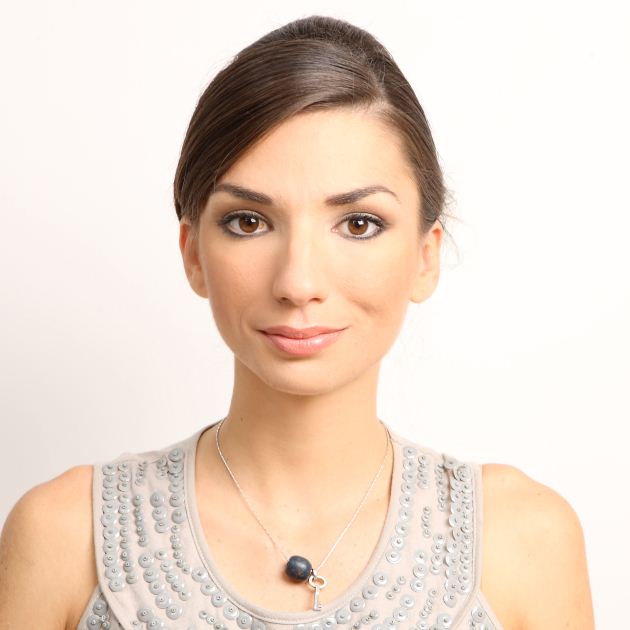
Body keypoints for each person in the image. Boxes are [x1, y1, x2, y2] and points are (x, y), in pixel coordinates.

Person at [0, 14, 594, 630]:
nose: (298, 282)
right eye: (249, 222)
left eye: (358, 224)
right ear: (193, 254)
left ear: (426, 256)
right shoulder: (66, 537)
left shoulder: (523, 541)